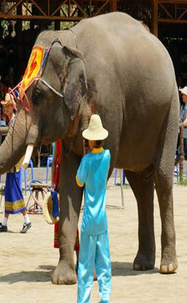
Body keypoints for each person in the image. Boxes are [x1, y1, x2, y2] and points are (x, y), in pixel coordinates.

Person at [76, 114, 111, 303]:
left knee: (85, 265)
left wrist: (84, 157)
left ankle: (83, 299)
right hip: (102, 219)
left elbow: (79, 180)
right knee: (104, 262)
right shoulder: (107, 156)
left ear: (89, 140)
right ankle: (105, 298)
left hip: (88, 220)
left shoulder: (86, 161)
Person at [0, 93, 31, 233]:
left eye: (7, 106)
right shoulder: (12, 121)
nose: (5, 109)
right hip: (13, 161)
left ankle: (27, 219)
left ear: (11, 107)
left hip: (15, 162)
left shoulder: (14, 122)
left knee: (14, 189)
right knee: (9, 190)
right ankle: (5, 222)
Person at [51, 140, 79, 263]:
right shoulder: (57, 142)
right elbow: (54, 162)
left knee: (70, 217)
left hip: (69, 181)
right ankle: (66, 256)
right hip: (59, 181)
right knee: (61, 218)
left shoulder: (72, 142)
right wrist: (52, 183)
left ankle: (78, 255)